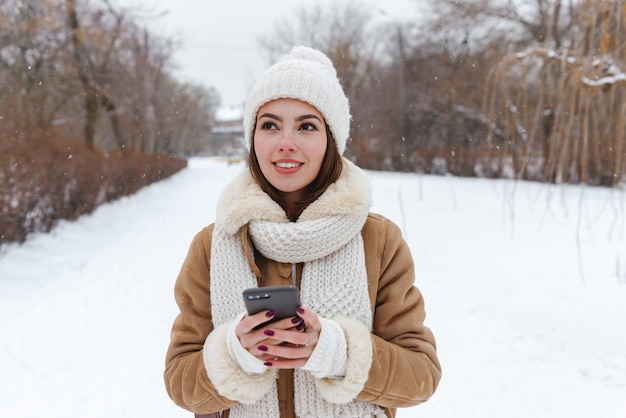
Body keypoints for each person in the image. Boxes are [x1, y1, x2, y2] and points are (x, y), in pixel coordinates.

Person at [164, 46, 441, 418]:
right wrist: (234, 354)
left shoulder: (378, 241)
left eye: (307, 126)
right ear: (253, 138)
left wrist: (338, 352)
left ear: (331, 140)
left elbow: (421, 375)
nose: (285, 143)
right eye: (270, 125)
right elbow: (181, 383)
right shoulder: (213, 245)